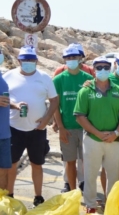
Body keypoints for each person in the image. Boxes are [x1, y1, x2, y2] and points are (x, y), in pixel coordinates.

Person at [74, 56, 119, 213]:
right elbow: (79, 116)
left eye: (106, 67)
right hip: (92, 140)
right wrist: (97, 133)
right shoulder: (85, 90)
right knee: (90, 173)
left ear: (110, 68)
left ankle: (111, 204)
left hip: (115, 140)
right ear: (94, 69)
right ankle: (91, 205)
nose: (103, 70)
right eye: (99, 67)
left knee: (113, 175)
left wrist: (116, 133)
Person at [5, 46, 59, 205]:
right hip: (14, 128)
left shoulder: (44, 77)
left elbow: (55, 100)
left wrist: (47, 120)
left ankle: (38, 196)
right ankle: (10, 194)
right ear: (18, 60)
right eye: (24, 59)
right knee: (12, 164)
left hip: (38, 130)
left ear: (36, 60)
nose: (28, 62)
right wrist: (14, 104)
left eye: (31, 59)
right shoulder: (8, 76)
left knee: (37, 164)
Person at [52, 45, 93, 191]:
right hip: (67, 127)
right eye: (68, 58)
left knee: (86, 161)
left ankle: (86, 187)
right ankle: (72, 191)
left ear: (80, 58)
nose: (71, 60)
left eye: (74, 57)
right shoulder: (58, 80)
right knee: (69, 162)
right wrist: (60, 126)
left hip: (86, 128)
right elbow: (55, 105)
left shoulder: (89, 79)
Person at [0, 48, 12, 190]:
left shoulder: (1, 76)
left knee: (4, 170)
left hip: (4, 134)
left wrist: (14, 105)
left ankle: (2, 207)